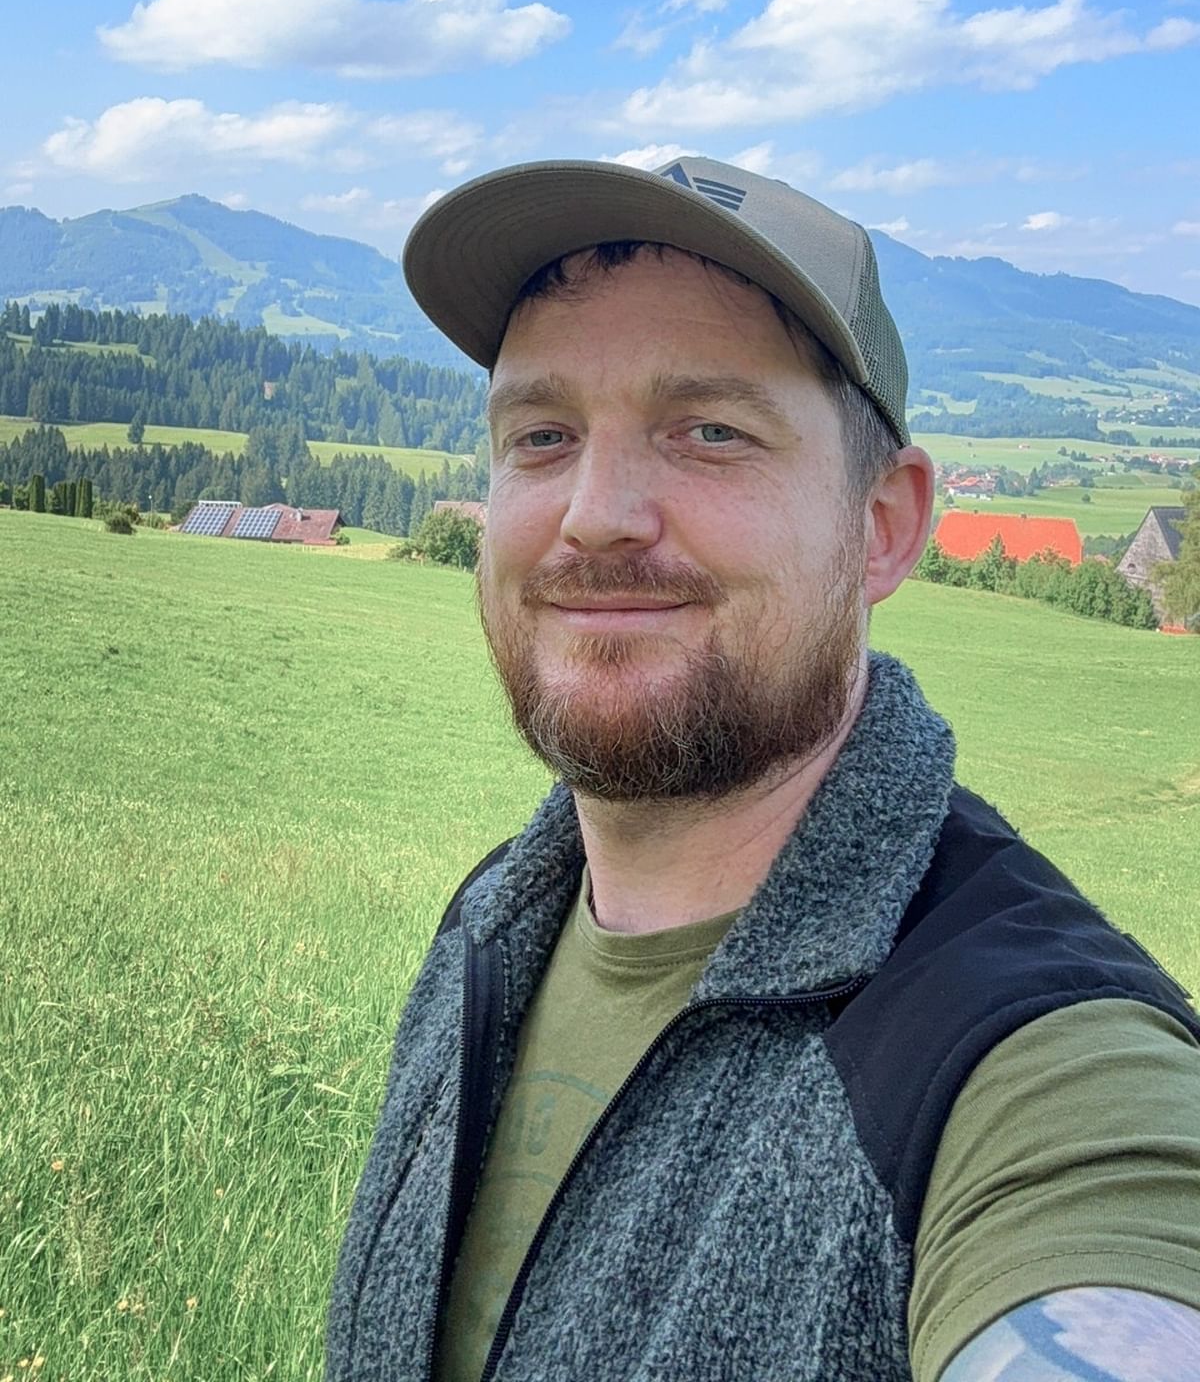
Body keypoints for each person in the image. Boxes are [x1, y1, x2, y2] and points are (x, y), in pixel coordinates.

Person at [326, 156, 1200, 1382]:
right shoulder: (492, 922)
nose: (595, 513)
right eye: (542, 436)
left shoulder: (1031, 1061)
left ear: (882, 525)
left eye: (710, 432)